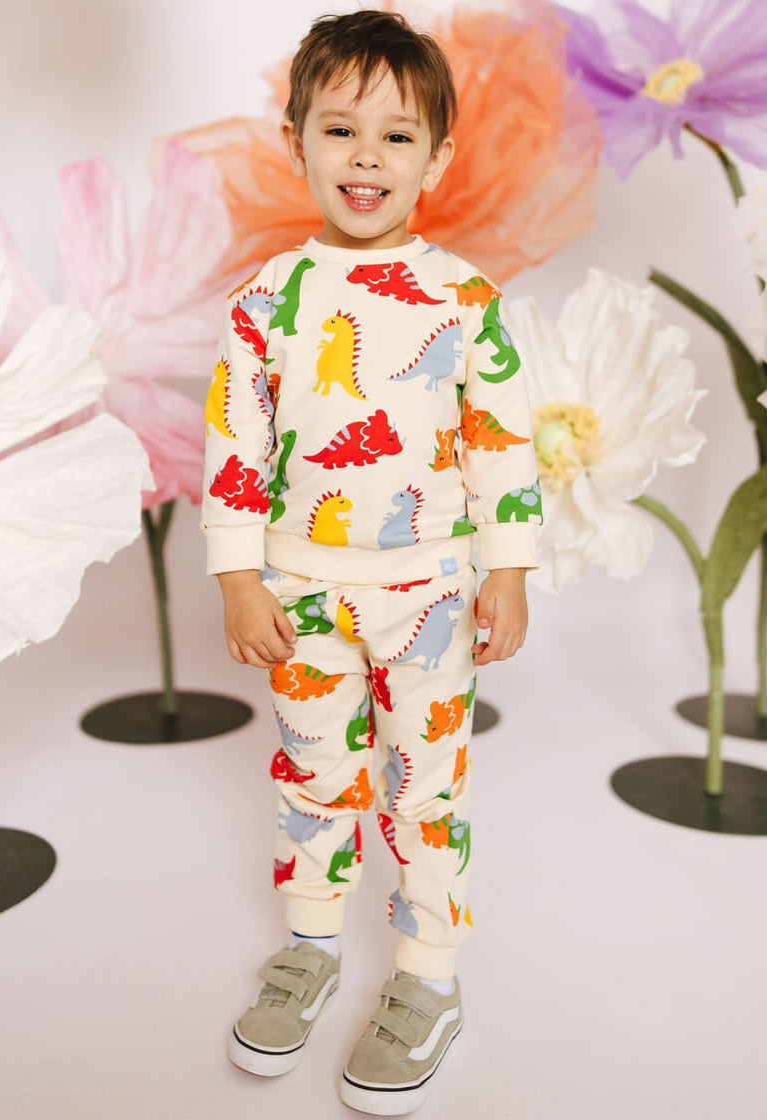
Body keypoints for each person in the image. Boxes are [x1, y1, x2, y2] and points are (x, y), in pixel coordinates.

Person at [202, 9, 540, 1114]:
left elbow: (499, 441)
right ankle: (309, 944)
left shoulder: (466, 300)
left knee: (426, 786)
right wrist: (237, 577)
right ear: (295, 138)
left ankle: (429, 973)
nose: (366, 156)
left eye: (397, 137)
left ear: (436, 159)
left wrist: (507, 569)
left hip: (429, 596)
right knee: (313, 773)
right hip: (300, 593)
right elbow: (235, 445)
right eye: (340, 128)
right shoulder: (263, 302)